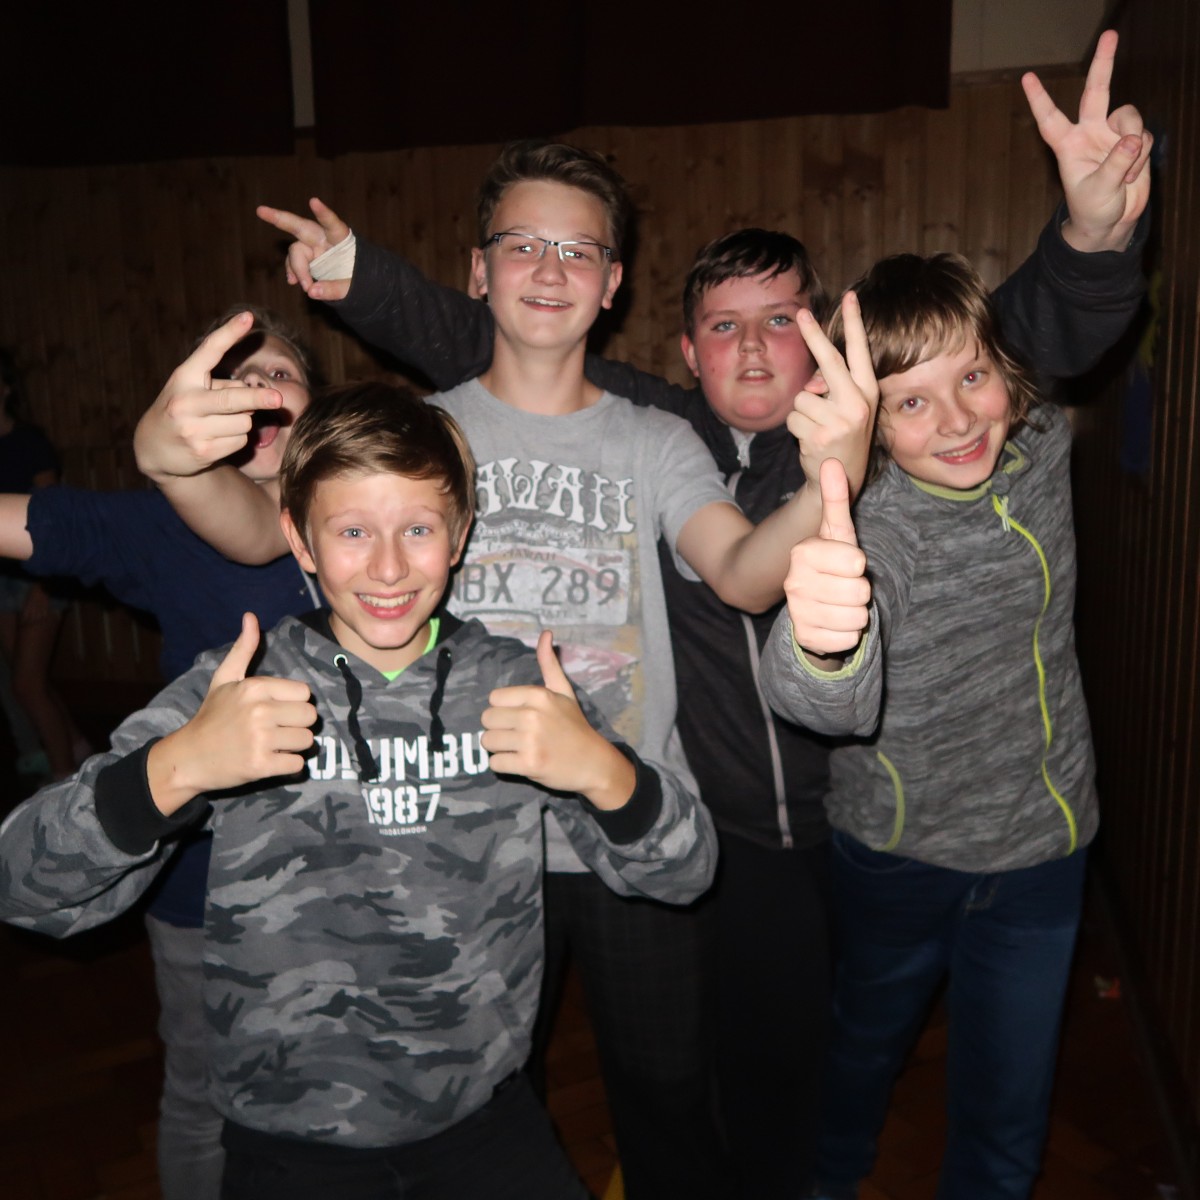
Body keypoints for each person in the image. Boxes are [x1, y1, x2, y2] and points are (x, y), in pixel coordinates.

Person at [250, 30, 1153, 1194]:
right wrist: (368, 281)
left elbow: (1009, 344)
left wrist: (1091, 234)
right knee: (637, 1077)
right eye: (724, 326)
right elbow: (517, 343)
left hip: (828, 830)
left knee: (794, 1069)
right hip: (674, 811)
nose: (755, 347)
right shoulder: (659, 427)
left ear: (827, 344)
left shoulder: (892, 429)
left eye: (782, 319)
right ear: (684, 350)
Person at [135, 139, 878, 1199]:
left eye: (580, 250)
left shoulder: (657, 440)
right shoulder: (426, 430)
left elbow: (745, 574)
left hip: (626, 824)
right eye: (523, 244)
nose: (550, 267)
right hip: (462, 838)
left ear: (612, 284)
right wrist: (168, 465)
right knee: (484, 1107)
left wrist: (830, 477)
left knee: (669, 1105)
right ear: (479, 270)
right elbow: (262, 532)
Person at [0, 377, 716, 1200]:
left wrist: (603, 772)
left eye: (418, 528)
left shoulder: (520, 686)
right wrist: (176, 768)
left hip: (485, 1116)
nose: (387, 566)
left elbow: (687, 872)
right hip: (289, 1141)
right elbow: (24, 886)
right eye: (351, 531)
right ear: (299, 541)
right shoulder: (238, 690)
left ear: (460, 535)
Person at [756, 33, 1152, 1199]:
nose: (960, 420)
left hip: (1043, 848)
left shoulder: (1032, 443)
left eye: (971, 379)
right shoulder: (857, 512)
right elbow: (820, 698)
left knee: (1008, 1108)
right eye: (912, 402)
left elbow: (1057, 315)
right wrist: (823, 636)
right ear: (870, 421)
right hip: (899, 853)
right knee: (862, 1051)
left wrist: (1093, 233)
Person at [0, 306, 322, 1200]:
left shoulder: (362, 518)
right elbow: (26, 523)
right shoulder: (161, 525)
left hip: (349, 879)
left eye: (280, 373)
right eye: (236, 377)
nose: (258, 390)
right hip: (205, 889)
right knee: (204, 1101)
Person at [0, 347, 81, 784]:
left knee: (27, 685)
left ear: (5, 389)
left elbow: (54, 520)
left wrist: (43, 587)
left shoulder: (30, 442)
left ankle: (65, 779)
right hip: (4, 581)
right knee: (29, 682)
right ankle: (79, 750)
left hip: (41, 578)